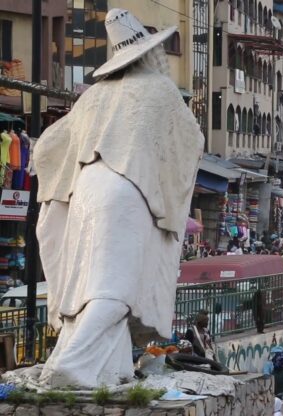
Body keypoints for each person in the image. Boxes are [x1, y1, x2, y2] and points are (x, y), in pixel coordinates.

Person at [34, 8, 203, 388]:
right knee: (116, 286)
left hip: (84, 191)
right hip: (126, 191)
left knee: (87, 284)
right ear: (148, 53)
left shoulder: (93, 96)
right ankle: (72, 365)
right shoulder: (160, 89)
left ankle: (110, 367)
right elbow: (192, 140)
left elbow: (48, 146)